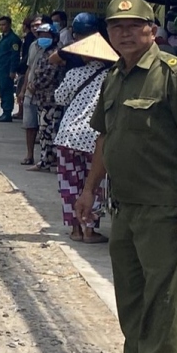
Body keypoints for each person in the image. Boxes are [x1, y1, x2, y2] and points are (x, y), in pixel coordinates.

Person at [78, 0, 177, 353]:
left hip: (165, 206)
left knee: (163, 297)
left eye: (135, 26)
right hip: (126, 205)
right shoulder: (114, 77)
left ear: (152, 30)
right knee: (132, 294)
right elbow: (105, 137)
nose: (125, 33)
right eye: (117, 27)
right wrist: (89, 189)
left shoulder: (173, 73)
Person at [53, 32, 115, 243]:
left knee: (70, 184)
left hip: (68, 135)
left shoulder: (74, 74)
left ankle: (75, 230)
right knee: (93, 184)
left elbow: (59, 98)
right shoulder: (113, 77)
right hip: (95, 137)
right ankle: (89, 230)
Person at [23, 24, 64, 169]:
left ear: (53, 37)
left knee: (50, 131)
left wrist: (35, 85)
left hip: (51, 99)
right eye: (40, 35)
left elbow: (49, 75)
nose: (42, 38)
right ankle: (46, 160)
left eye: (45, 36)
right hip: (42, 99)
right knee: (44, 131)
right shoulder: (43, 51)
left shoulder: (55, 53)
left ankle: (49, 161)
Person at [0, 15, 23, 122]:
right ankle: (4, 111)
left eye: (3, 25)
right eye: (0, 25)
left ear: (9, 25)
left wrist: (12, 70)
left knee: (7, 90)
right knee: (2, 90)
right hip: (0, 69)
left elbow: (14, 56)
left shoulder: (13, 39)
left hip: (7, 69)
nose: (1, 27)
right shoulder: (3, 38)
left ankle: (7, 113)